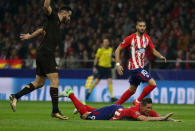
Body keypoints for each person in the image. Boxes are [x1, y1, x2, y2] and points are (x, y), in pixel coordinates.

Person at [9, 0, 72, 120]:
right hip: (46, 53)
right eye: (69, 16)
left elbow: (41, 30)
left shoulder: (55, 24)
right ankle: (55, 111)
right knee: (55, 81)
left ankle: (15, 96)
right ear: (64, 13)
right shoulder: (53, 16)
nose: (69, 19)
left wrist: (29, 36)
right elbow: (46, 5)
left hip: (43, 54)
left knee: (39, 83)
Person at [115, 19, 166, 106]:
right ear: (136, 27)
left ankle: (115, 106)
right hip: (135, 67)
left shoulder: (147, 38)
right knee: (153, 84)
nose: (142, 28)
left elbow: (153, 50)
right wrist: (118, 64)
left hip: (140, 67)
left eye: (143, 26)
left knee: (132, 90)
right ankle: (138, 101)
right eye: (140, 26)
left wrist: (161, 56)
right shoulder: (131, 38)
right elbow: (117, 50)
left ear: (145, 27)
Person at [59, 88, 182, 122]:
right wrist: (164, 118)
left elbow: (156, 116)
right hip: (111, 112)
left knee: (91, 111)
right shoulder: (136, 111)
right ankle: (70, 94)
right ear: (142, 106)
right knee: (84, 116)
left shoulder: (147, 111)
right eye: (148, 108)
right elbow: (145, 120)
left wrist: (172, 120)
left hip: (115, 110)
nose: (150, 111)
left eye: (151, 108)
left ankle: (82, 106)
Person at [86, 38, 117, 102]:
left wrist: (113, 61)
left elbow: (112, 58)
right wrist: (94, 67)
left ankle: (111, 97)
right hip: (101, 68)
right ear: (103, 43)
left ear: (108, 43)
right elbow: (96, 59)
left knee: (110, 81)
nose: (105, 43)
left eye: (106, 42)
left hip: (108, 68)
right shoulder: (100, 50)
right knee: (96, 82)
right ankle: (89, 92)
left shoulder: (110, 50)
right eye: (104, 42)